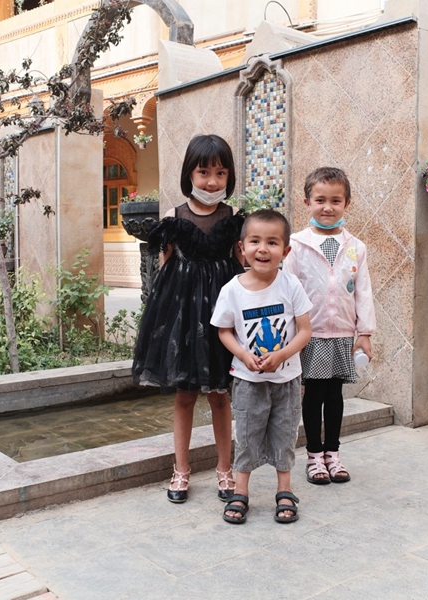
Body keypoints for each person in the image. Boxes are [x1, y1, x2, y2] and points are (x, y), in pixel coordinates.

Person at [132, 134, 245, 504]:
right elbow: (165, 270)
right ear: (189, 174)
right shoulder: (174, 217)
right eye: (204, 172)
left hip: (222, 318)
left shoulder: (234, 218)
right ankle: (180, 470)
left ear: (229, 176)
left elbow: (242, 268)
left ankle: (225, 469)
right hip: (185, 319)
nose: (212, 181)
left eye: (220, 173)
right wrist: (165, 325)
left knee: (220, 396)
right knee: (185, 396)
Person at [211, 209, 312, 524]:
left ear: (286, 250)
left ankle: (285, 490)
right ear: (242, 247)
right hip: (247, 381)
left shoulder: (290, 285)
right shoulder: (232, 290)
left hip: (287, 380)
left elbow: (305, 331)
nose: (263, 249)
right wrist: (243, 355)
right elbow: (224, 331)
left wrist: (282, 355)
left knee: (285, 434)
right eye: (255, 241)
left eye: (272, 242)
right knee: (247, 435)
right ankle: (241, 491)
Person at [283, 167, 376, 485]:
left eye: (335, 200)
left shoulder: (356, 247)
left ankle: (333, 454)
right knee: (312, 395)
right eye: (320, 200)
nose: (327, 207)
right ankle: (314, 456)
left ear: (347, 203)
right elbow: (288, 290)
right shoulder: (296, 245)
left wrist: (364, 333)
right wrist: (289, 335)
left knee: (335, 395)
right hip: (309, 334)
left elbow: (363, 291)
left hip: (342, 334)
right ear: (307, 202)